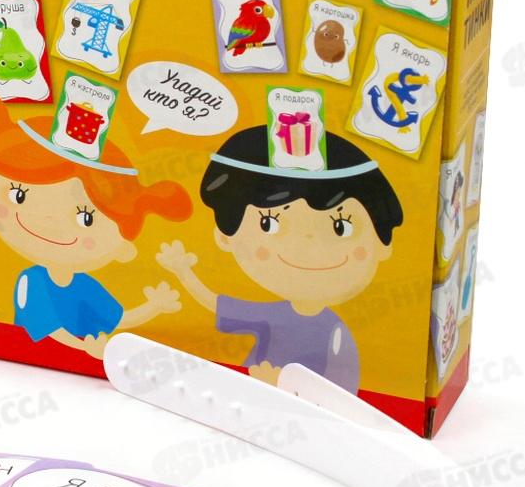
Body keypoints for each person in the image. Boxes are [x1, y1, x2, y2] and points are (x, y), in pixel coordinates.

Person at [157, 125, 402, 392]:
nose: (307, 243)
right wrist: (183, 271)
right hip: (247, 394)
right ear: (225, 236)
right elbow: (217, 305)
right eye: (269, 223)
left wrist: (288, 389)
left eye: (340, 227)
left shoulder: (335, 330)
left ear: (383, 244)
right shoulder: (273, 314)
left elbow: (345, 388)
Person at [0, 92, 191, 358]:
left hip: (74, 363)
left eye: (86, 218)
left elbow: (117, 319)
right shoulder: (33, 280)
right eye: (19, 195)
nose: (47, 219)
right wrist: (85, 348)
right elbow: (49, 330)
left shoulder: (84, 285)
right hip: (31, 357)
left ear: (123, 248)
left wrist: (154, 307)